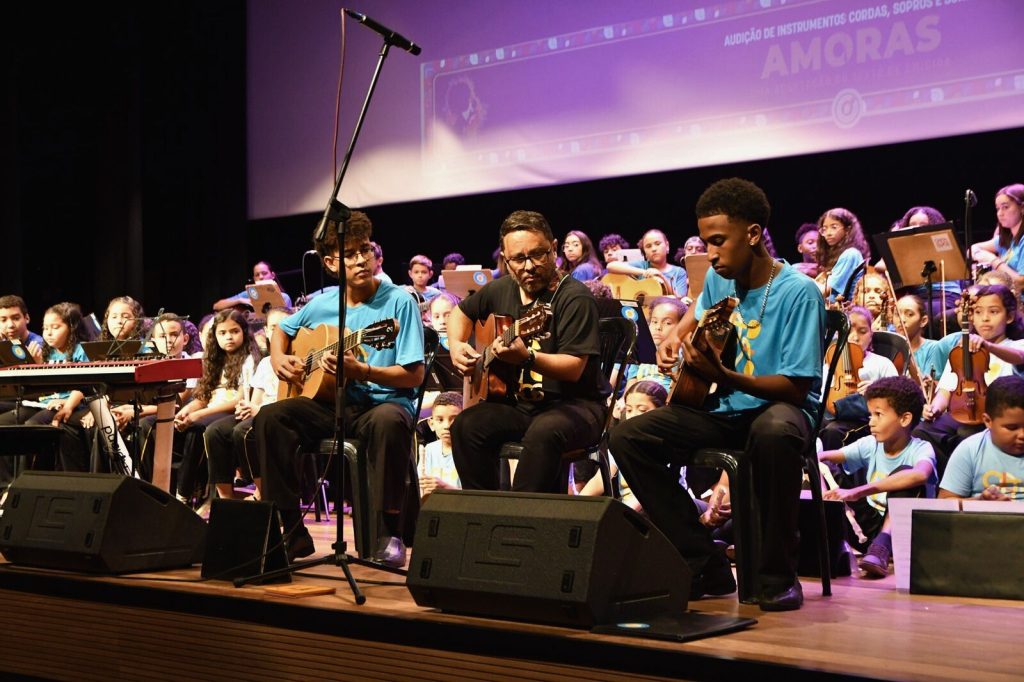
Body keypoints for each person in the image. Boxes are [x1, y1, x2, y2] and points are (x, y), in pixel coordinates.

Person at [608, 178, 826, 611]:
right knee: (628, 437)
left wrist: (723, 374)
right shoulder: (719, 280)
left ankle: (777, 575)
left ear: (752, 234)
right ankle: (702, 561)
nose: (711, 253)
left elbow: (797, 387)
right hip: (725, 411)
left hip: (782, 411)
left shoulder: (797, 292)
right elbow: (694, 313)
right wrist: (674, 338)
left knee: (774, 432)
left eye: (719, 242)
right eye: (707, 242)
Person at [255, 210, 424, 566]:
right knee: (271, 418)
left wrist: (361, 370)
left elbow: (413, 376)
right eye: (350, 254)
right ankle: (291, 531)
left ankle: (387, 533)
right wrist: (277, 359)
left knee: (388, 422)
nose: (362, 259)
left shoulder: (399, 301)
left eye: (365, 249)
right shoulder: (323, 303)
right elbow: (282, 330)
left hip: (383, 402)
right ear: (331, 263)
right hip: (332, 403)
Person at [448, 210, 610, 493]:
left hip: (577, 406)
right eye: (518, 259)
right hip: (521, 406)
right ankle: (483, 514)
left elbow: (574, 367)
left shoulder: (575, 298)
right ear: (506, 260)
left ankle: (519, 522)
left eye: (538, 254)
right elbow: (459, 313)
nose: (529, 266)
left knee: (544, 432)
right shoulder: (500, 289)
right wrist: (456, 345)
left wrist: (527, 357)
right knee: (466, 426)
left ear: (554, 248)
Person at [818, 376, 937, 578]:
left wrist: (857, 492)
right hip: (869, 525)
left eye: (878, 415)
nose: (870, 422)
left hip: (905, 529)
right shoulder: (871, 443)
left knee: (906, 475)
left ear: (904, 419)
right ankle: (831, 543)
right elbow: (824, 457)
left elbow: (920, 474)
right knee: (825, 467)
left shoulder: (921, 448)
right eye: (870, 414)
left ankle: (882, 545)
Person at [915, 284, 1024, 476]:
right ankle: (945, 482)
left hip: (998, 418)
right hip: (962, 412)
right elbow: (948, 389)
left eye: (993, 311)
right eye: (978, 312)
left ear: (1009, 316)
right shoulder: (961, 350)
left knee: (966, 434)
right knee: (922, 432)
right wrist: (935, 407)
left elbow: (1019, 356)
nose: (985, 318)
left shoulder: (1016, 345)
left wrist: (988, 346)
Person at [172, 309, 261, 505]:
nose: (228, 337)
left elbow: (239, 399)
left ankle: (183, 495)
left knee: (197, 429)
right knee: (177, 425)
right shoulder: (213, 360)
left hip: (231, 412)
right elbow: (203, 397)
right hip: (210, 410)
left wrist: (198, 415)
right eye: (222, 333)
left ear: (244, 332)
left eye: (234, 331)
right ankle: (179, 490)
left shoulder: (249, 358)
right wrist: (187, 411)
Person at [205, 307, 289, 501]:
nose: (278, 331)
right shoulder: (267, 363)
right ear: (266, 331)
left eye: (284, 326)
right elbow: (255, 399)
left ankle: (262, 493)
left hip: (277, 415)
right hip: (258, 412)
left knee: (243, 432)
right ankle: (225, 498)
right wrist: (248, 407)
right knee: (214, 431)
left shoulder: (298, 357)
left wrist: (256, 409)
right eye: (273, 327)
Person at [818, 306, 898, 451]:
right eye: (849, 331)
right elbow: (821, 395)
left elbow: (898, 396)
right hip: (832, 415)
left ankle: (834, 473)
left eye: (862, 332)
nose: (855, 337)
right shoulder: (831, 361)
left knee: (833, 432)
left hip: (864, 419)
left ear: (871, 335)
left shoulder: (882, 363)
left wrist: (876, 390)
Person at [938, 375, 1024, 501]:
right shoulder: (969, 450)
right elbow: (945, 502)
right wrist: (981, 502)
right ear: (988, 421)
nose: (1022, 435)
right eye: (1012, 427)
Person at [970, 184, 1024, 292]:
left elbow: (1020, 284)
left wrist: (993, 260)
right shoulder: (1006, 239)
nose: (1000, 213)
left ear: (1022, 208)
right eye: (997, 208)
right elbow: (972, 249)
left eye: (1005, 207)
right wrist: (980, 257)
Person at [606, 228, 688, 298]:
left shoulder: (679, 272)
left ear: (667, 246)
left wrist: (660, 276)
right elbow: (611, 266)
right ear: (645, 252)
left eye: (657, 244)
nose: (654, 249)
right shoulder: (642, 266)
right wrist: (644, 272)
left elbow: (680, 299)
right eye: (648, 246)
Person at [814, 208, 871, 303]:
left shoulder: (850, 254)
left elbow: (825, 291)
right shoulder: (843, 255)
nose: (828, 233)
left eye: (834, 227)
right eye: (824, 229)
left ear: (848, 229)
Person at [418, 391, 463, 499]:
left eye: (454, 419)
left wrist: (445, 488)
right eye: (440, 420)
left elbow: (477, 497)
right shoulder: (429, 450)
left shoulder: (470, 452)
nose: (447, 426)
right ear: (431, 424)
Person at [213, 260, 294, 312]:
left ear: (272, 275)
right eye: (257, 275)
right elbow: (216, 306)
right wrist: (239, 300)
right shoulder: (250, 293)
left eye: (264, 273)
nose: (261, 277)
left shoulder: (284, 297)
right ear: (254, 278)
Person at [0, 294, 44, 363]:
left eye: (16, 318)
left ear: (27, 318)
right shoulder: (2, 342)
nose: (10, 325)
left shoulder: (39, 345)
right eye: (3, 320)